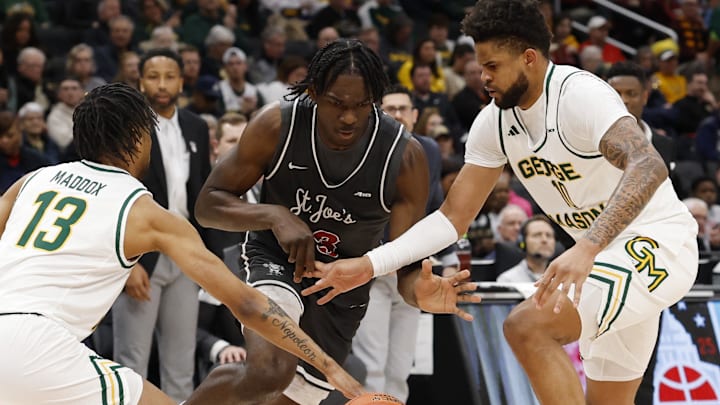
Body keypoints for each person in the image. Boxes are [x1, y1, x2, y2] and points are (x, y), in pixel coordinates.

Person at [304, 2, 698, 404]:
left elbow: (648, 165)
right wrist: (370, 265)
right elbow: (451, 219)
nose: (483, 76)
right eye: (480, 65)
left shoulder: (579, 94)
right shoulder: (493, 123)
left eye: (492, 65)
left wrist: (588, 246)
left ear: (529, 57)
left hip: (656, 243)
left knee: (527, 327)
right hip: (602, 255)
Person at [0, 82, 363, 405]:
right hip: (38, 344)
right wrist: (327, 365)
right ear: (139, 136)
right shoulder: (144, 211)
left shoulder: (32, 180)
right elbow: (248, 304)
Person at [189, 39, 477, 405]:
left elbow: (405, 265)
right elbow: (208, 205)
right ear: (314, 92)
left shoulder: (404, 157)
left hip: (344, 288)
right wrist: (275, 215)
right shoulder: (277, 123)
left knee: (286, 399)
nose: (349, 117)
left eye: (362, 105)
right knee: (270, 369)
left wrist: (417, 293)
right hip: (274, 260)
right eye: (337, 104)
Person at [110, 48, 207, 402]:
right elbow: (115, 194)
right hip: (143, 252)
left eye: (169, 76)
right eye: (153, 76)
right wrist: (129, 262)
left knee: (180, 363)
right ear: (140, 81)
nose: (162, 84)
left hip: (186, 253)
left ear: (182, 81)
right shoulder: (125, 127)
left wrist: (205, 250)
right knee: (131, 360)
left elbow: (201, 190)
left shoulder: (196, 125)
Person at [496, 215, 556, 283]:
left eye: (549, 235)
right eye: (537, 235)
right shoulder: (507, 280)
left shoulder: (564, 278)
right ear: (522, 242)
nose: (544, 240)